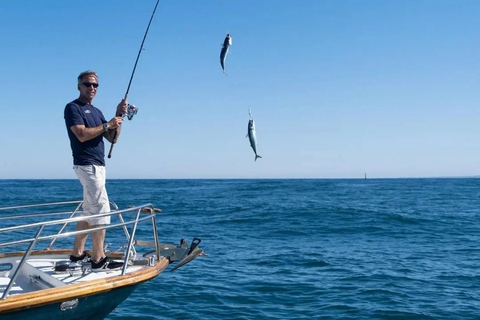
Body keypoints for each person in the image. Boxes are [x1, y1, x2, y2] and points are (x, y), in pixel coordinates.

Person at [64, 70, 127, 271]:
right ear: (79, 86)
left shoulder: (98, 112)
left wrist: (118, 116)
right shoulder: (73, 108)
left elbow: (112, 139)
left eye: (95, 85)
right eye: (88, 84)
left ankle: (77, 255)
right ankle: (99, 259)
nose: (92, 88)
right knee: (101, 209)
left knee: (89, 211)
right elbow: (81, 134)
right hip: (86, 164)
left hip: (98, 165)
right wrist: (107, 124)